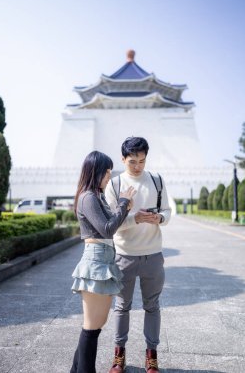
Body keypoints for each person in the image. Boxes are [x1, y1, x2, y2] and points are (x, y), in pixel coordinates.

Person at [105, 137, 171, 373]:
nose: (138, 166)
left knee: (152, 307)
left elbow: (167, 211)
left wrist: (159, 218)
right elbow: (111, 225)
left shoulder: (156, 180)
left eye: (142, 161)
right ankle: (119, 355)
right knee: (122, 307)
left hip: (153, 254)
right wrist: (136, 218)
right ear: (122, 159)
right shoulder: (113, 185)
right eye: (132, 161)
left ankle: (151, 356)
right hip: (124, 255)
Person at [70, 150, 136, 373]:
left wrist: (125, 208)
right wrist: (124, 202)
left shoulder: (96, 196)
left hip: (105, 259)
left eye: (109, 171)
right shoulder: (88, 196)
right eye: (106, 172)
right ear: (95, 171)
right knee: (91, 328)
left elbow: (112, 225)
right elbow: (107, 230)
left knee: (96, 326)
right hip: (96, 260)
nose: (109, 176)